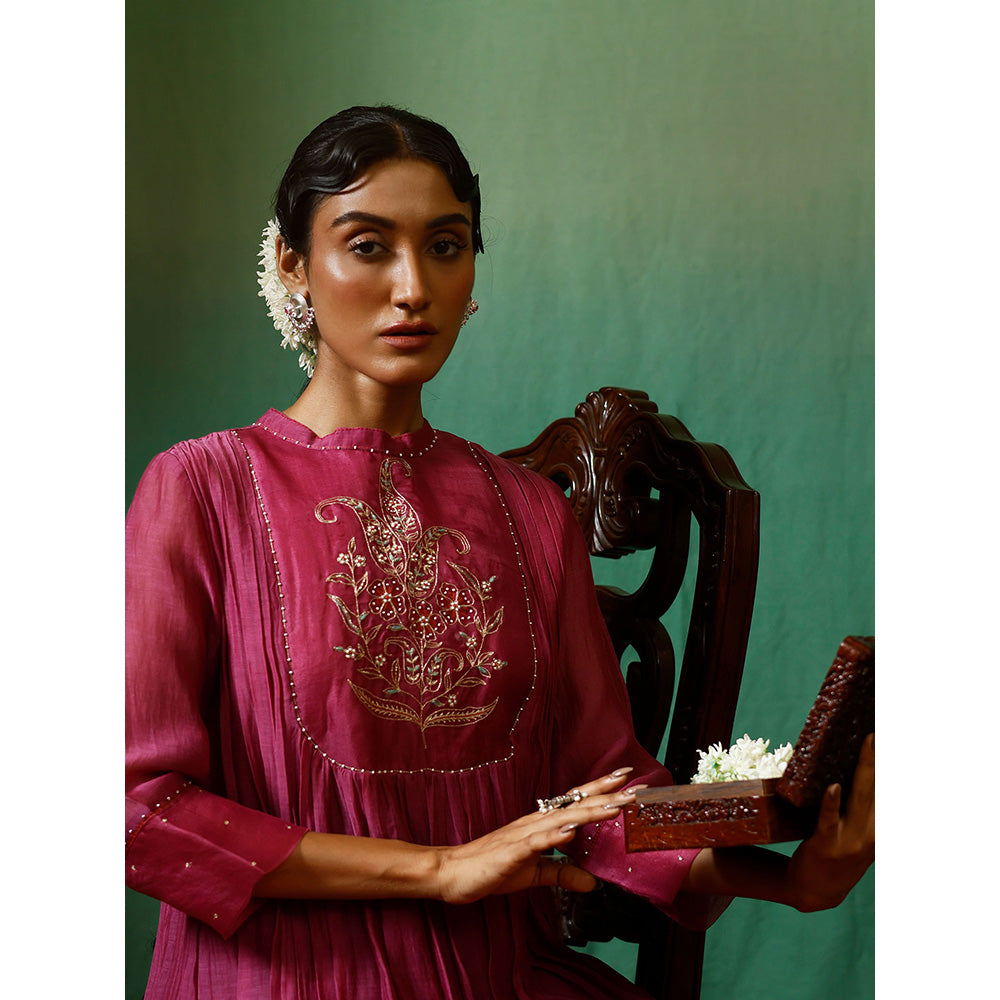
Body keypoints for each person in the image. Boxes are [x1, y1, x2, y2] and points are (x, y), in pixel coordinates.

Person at [126, 105, 874, 1000]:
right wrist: (439, 870)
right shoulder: (200, 490)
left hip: (496, 976)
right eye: (368, 246)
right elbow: (138, 811)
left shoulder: (528, 512)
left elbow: (602, 801)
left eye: (445, 246)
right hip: (280, 981)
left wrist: (792, 880)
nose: (413, 287)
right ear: (293, 264)